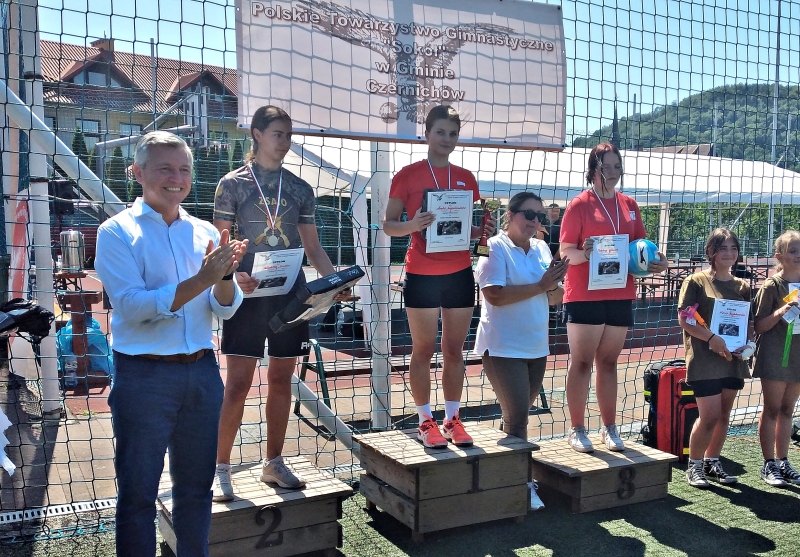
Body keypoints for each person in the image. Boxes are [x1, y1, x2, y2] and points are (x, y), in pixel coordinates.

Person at [95, 131, 246, 557]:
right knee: (138, 495)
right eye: (165, 169)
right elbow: (132, 307)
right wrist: (203, 278)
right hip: (144, 377)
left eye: (183, 169)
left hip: (202, 373)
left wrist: (225, 277)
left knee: (196, 490)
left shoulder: (203, 232)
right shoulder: (116, 232)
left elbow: (225, 308)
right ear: (138, 173)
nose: (176, 178)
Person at [212, 105, 345, 499]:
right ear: (256, 134)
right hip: (247, 294)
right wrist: (233, 275)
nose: (285, 142)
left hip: (290, 293)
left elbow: (313, 248)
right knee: (237, 384)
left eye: (288, 135)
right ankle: (220, 469)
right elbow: (220, 243)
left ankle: (273, 462)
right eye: (277, 134)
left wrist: (334, 281)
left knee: (282, 380)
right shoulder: (232, 184)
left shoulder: (300, 188)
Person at [383, 105, 494, 448]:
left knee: (454, 351)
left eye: (453, 134)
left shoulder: (466, 178)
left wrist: (481, 231)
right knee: (423, 349)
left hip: (459, 273)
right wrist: (413, 224)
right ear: (427, 134)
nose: (447, 139)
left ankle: (452, 419)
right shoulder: (408, 175)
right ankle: (424, 421)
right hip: (422, 274)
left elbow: (462, 229)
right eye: (441, 132)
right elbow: (388, 225)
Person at [559, 142, 668, 453]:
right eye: (606, 167)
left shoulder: (629, 204)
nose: (612, 172)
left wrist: (657, 262)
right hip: (584, 294)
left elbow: (641, 249)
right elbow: (565, 252)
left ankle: (609, 427)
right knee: (582, 362)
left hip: (620, 292)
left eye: (617, 166)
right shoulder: (579, 205)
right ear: (593, 171)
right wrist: (584, 253)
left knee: (608, 362)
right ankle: (577, 428)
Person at [475, 192, 569, 509]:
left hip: (536, 346)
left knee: (516, 418)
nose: (534, 221)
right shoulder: (494, 247)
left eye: (539, 216)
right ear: (510, 215)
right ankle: (522, 485)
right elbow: (494, 295)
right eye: (529, 214)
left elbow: (554, 298)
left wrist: (554, 284)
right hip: (503, 347)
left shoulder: (541, 248)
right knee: (517, 419)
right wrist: (542, 285)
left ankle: (504, 477)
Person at [678, 228, 755, 488]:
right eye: (723, 248)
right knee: (709, 416)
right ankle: (694, 465)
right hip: (704, 360)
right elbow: (685, 319)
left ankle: (712, 462)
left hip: (731, 360)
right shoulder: (696, 281)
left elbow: (747, 323)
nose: (729, 253)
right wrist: (711, 338)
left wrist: (748, 343)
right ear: (711, 251)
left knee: (723, 415)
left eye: (733, 248)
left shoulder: (742, 286)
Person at [752, 230, 800, 486]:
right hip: (775, 354)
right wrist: (782, 311)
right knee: (772, 409)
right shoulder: (772, 286)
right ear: (780, 256)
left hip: (797, 355)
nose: (799, 255)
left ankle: (783, 461)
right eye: (793, 251)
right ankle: (768, 463)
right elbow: (758, 326)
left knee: (788, 409)